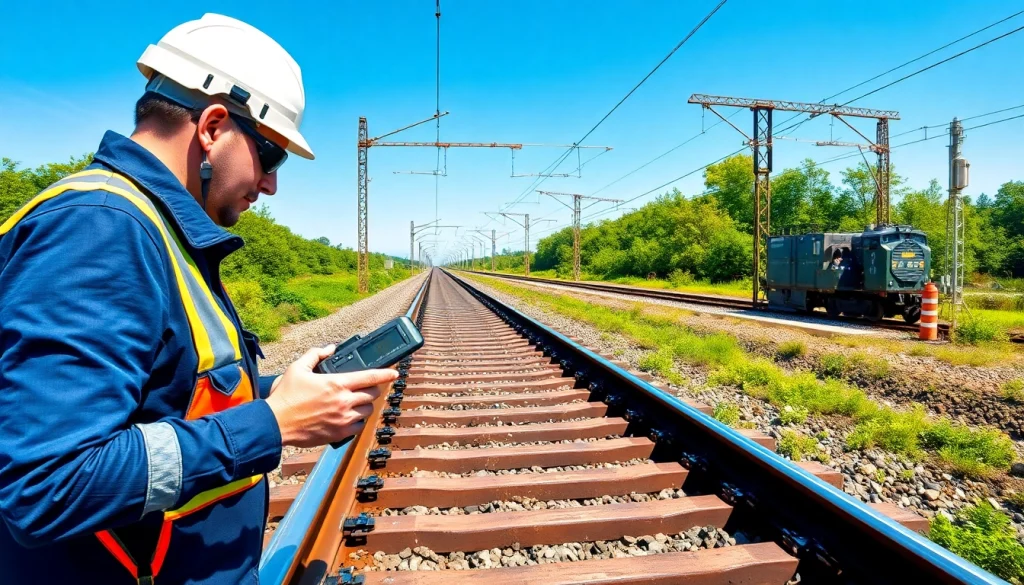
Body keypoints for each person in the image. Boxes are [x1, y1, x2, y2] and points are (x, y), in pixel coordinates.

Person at [0, 14, 396, 585]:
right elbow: (47, 483)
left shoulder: (154, 227)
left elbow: (162, 395)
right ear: (213, 126)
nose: (270, 185)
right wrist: (273, 423)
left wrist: (275, 393)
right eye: (272, 157)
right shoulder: (100, 230)